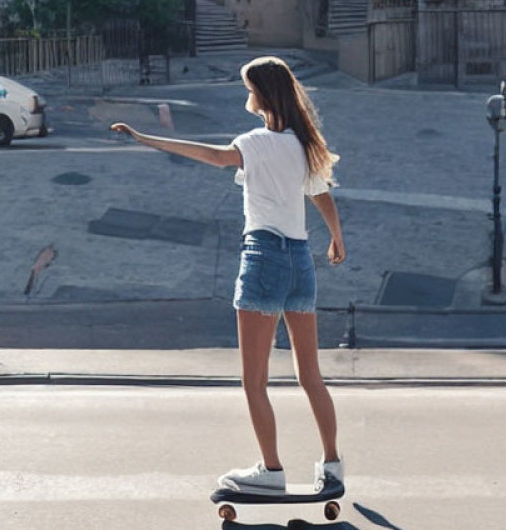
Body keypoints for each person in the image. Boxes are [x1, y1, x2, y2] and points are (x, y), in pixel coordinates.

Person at [110, 56, 345, 495]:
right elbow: (321, 195)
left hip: (264, 259)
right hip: (300, 261)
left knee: (253, 380)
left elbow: (212, 156)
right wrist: (336, 237)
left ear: (263, 95)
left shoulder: (255, 143)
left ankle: (271, 471)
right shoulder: (303, 143)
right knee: (310, 375)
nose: (246, 95)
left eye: (249, 88)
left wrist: (146, 138)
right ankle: (332, 467)